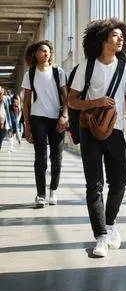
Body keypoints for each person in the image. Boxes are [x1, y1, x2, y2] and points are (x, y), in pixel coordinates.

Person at [69, 18, 126, 258]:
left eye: (122, 36)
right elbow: (72, 100)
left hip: (116, 132)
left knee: (119, 183)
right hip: (90, 131)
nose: (120, 39)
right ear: (102, 39)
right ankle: (100, 235)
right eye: (115, 36)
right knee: (94, 186)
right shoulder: (86, 66)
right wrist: (95, 102)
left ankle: (110, 224)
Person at [22, 41, 68, 207]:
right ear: (35, 54)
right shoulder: (31, 73)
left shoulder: (58, 72)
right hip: (38, 117)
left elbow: (66, 96)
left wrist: (64, 115)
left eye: (48, 51)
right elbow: (26, 101)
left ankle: (53, 191)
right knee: (40, 158)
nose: (46, 54)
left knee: (57, 157)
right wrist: (26, 127)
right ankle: (40, 194)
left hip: (56, 118)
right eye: (42, 51)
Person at [0, 86, 11, 151]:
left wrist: (9, 123)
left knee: (1, 137)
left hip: (3, 121)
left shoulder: (5, 99)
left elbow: (7, 111)